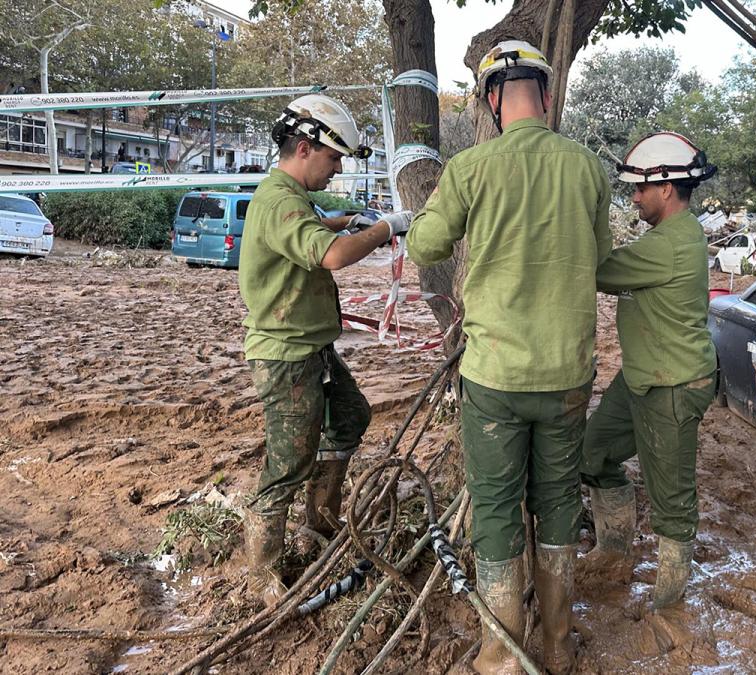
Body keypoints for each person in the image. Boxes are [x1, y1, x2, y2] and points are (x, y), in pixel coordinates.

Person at [405, 40, 611, 675]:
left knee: (495, 510)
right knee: (557, 505)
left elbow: (426, 243)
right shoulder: (587, 168)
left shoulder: (471, 168)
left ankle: (501, 657)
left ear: (492, 100)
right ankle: (557, 643)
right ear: (546, 96)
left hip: (494, 378)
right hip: (567, 375)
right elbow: (601, 262)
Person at [238, 94, 411, 604]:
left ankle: (319, 520)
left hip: (312, 348)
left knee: (352, 417)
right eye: (334, 159)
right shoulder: (281, 200)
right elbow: (331, 257)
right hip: (286, 356)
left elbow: (317, 235)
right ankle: (261, 573)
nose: (336, 170)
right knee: (288, 462)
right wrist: (385, 229)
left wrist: (345, 221)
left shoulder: (293, 199)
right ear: (306, 148)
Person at [580, 132, 718, 610]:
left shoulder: (673, 243)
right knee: (594, 453)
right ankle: (614, 549)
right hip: (642, 374)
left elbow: (600, 270)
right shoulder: (667, 237)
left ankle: (668, 604)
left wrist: (592, 215)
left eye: (638, 189)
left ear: (666, 187)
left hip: (673, 384)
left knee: (672, 501)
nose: (634, 197)